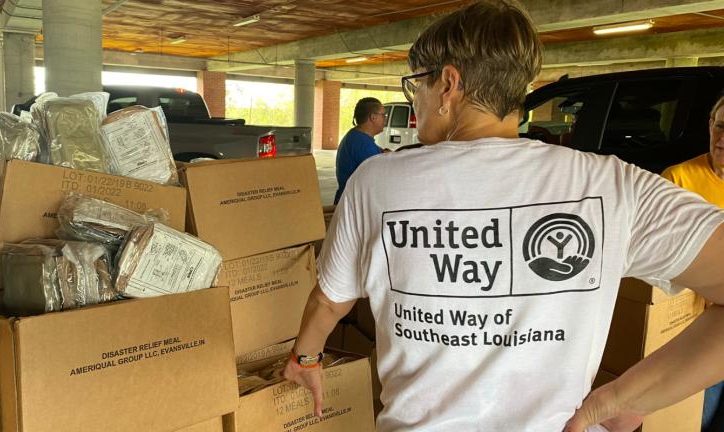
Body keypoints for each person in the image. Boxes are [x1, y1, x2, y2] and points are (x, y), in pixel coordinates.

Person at [284, 1, 724, 431]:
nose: (414, 99)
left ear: (448, 84)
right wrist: (622, 399)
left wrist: (305, 359)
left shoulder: (376, 181)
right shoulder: (612, 186)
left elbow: (329, 301)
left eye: (416, 84)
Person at [662, 95, 724, 432]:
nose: (723, 138)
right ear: (710, 126)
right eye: (721, 126)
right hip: (698, 334)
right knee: (696, 419)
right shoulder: (679, 180)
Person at [333, 97, 386, 204]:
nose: (385, 119)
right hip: (355, 204)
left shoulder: (355, 136)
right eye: (383, 115)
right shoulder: (363, 144)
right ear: (373, 117)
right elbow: (379, 179)